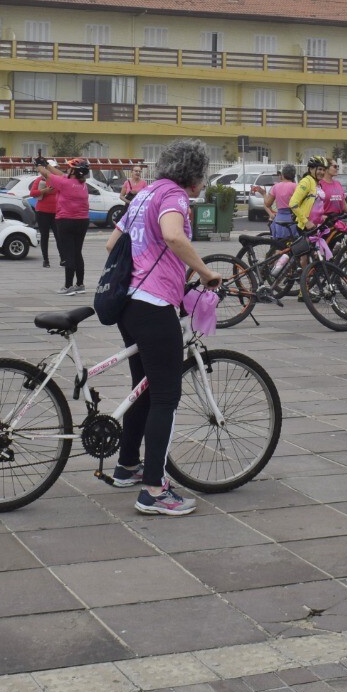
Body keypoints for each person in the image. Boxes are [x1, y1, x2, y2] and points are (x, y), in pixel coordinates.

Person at [103, 138, 221, 516]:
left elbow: (111, 244)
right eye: (203, 175)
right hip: (154, 307)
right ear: (193, 174)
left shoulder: (144, 194)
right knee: (166, 396)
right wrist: (204, 271)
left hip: (128, 304)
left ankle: (126, 466)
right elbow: (173, 234)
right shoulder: (173, 196)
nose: (203, 182)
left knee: (143, 388)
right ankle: (154, 489)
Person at [40, 158, 91, 294]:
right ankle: (80, 284)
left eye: (69, 168)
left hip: (66, 221)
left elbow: (46, 174)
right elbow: (60, 174)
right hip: (83, 221)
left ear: (74, 170)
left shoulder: (64, 183)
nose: (67, 170)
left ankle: (68, 287)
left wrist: (39, 165)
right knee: (77, 252)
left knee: (69, 254)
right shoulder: (83, 184)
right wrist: (47, 164)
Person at [30, 158, 59, 270]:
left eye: (56, 168)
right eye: (53, 168)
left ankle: (63, 258)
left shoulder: (58, 180)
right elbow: (32, 193)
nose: (55, 170)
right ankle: (45, 259)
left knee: (59, 237)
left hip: (56, 213)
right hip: (43, 212)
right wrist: (44, 191)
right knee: (45, 236)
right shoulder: (40, 180)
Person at [289, 155, 329, 231]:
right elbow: (293, 203)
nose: (322, 172)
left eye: (324, 170)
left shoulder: (317, 183)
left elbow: (315, 204)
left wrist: (321, 216)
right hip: (306, 226)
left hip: (316, 224)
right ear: (311, 169)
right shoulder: (306, 182)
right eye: (320, 169)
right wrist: (306, 222)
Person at [266, 164, 298, 241]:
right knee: (293, 242)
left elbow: (268, 204)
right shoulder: (296, 186)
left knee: (279, 244)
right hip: (293, 217)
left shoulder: (276, 186)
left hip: (279, 218)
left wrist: (264, 194)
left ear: (283, 175)